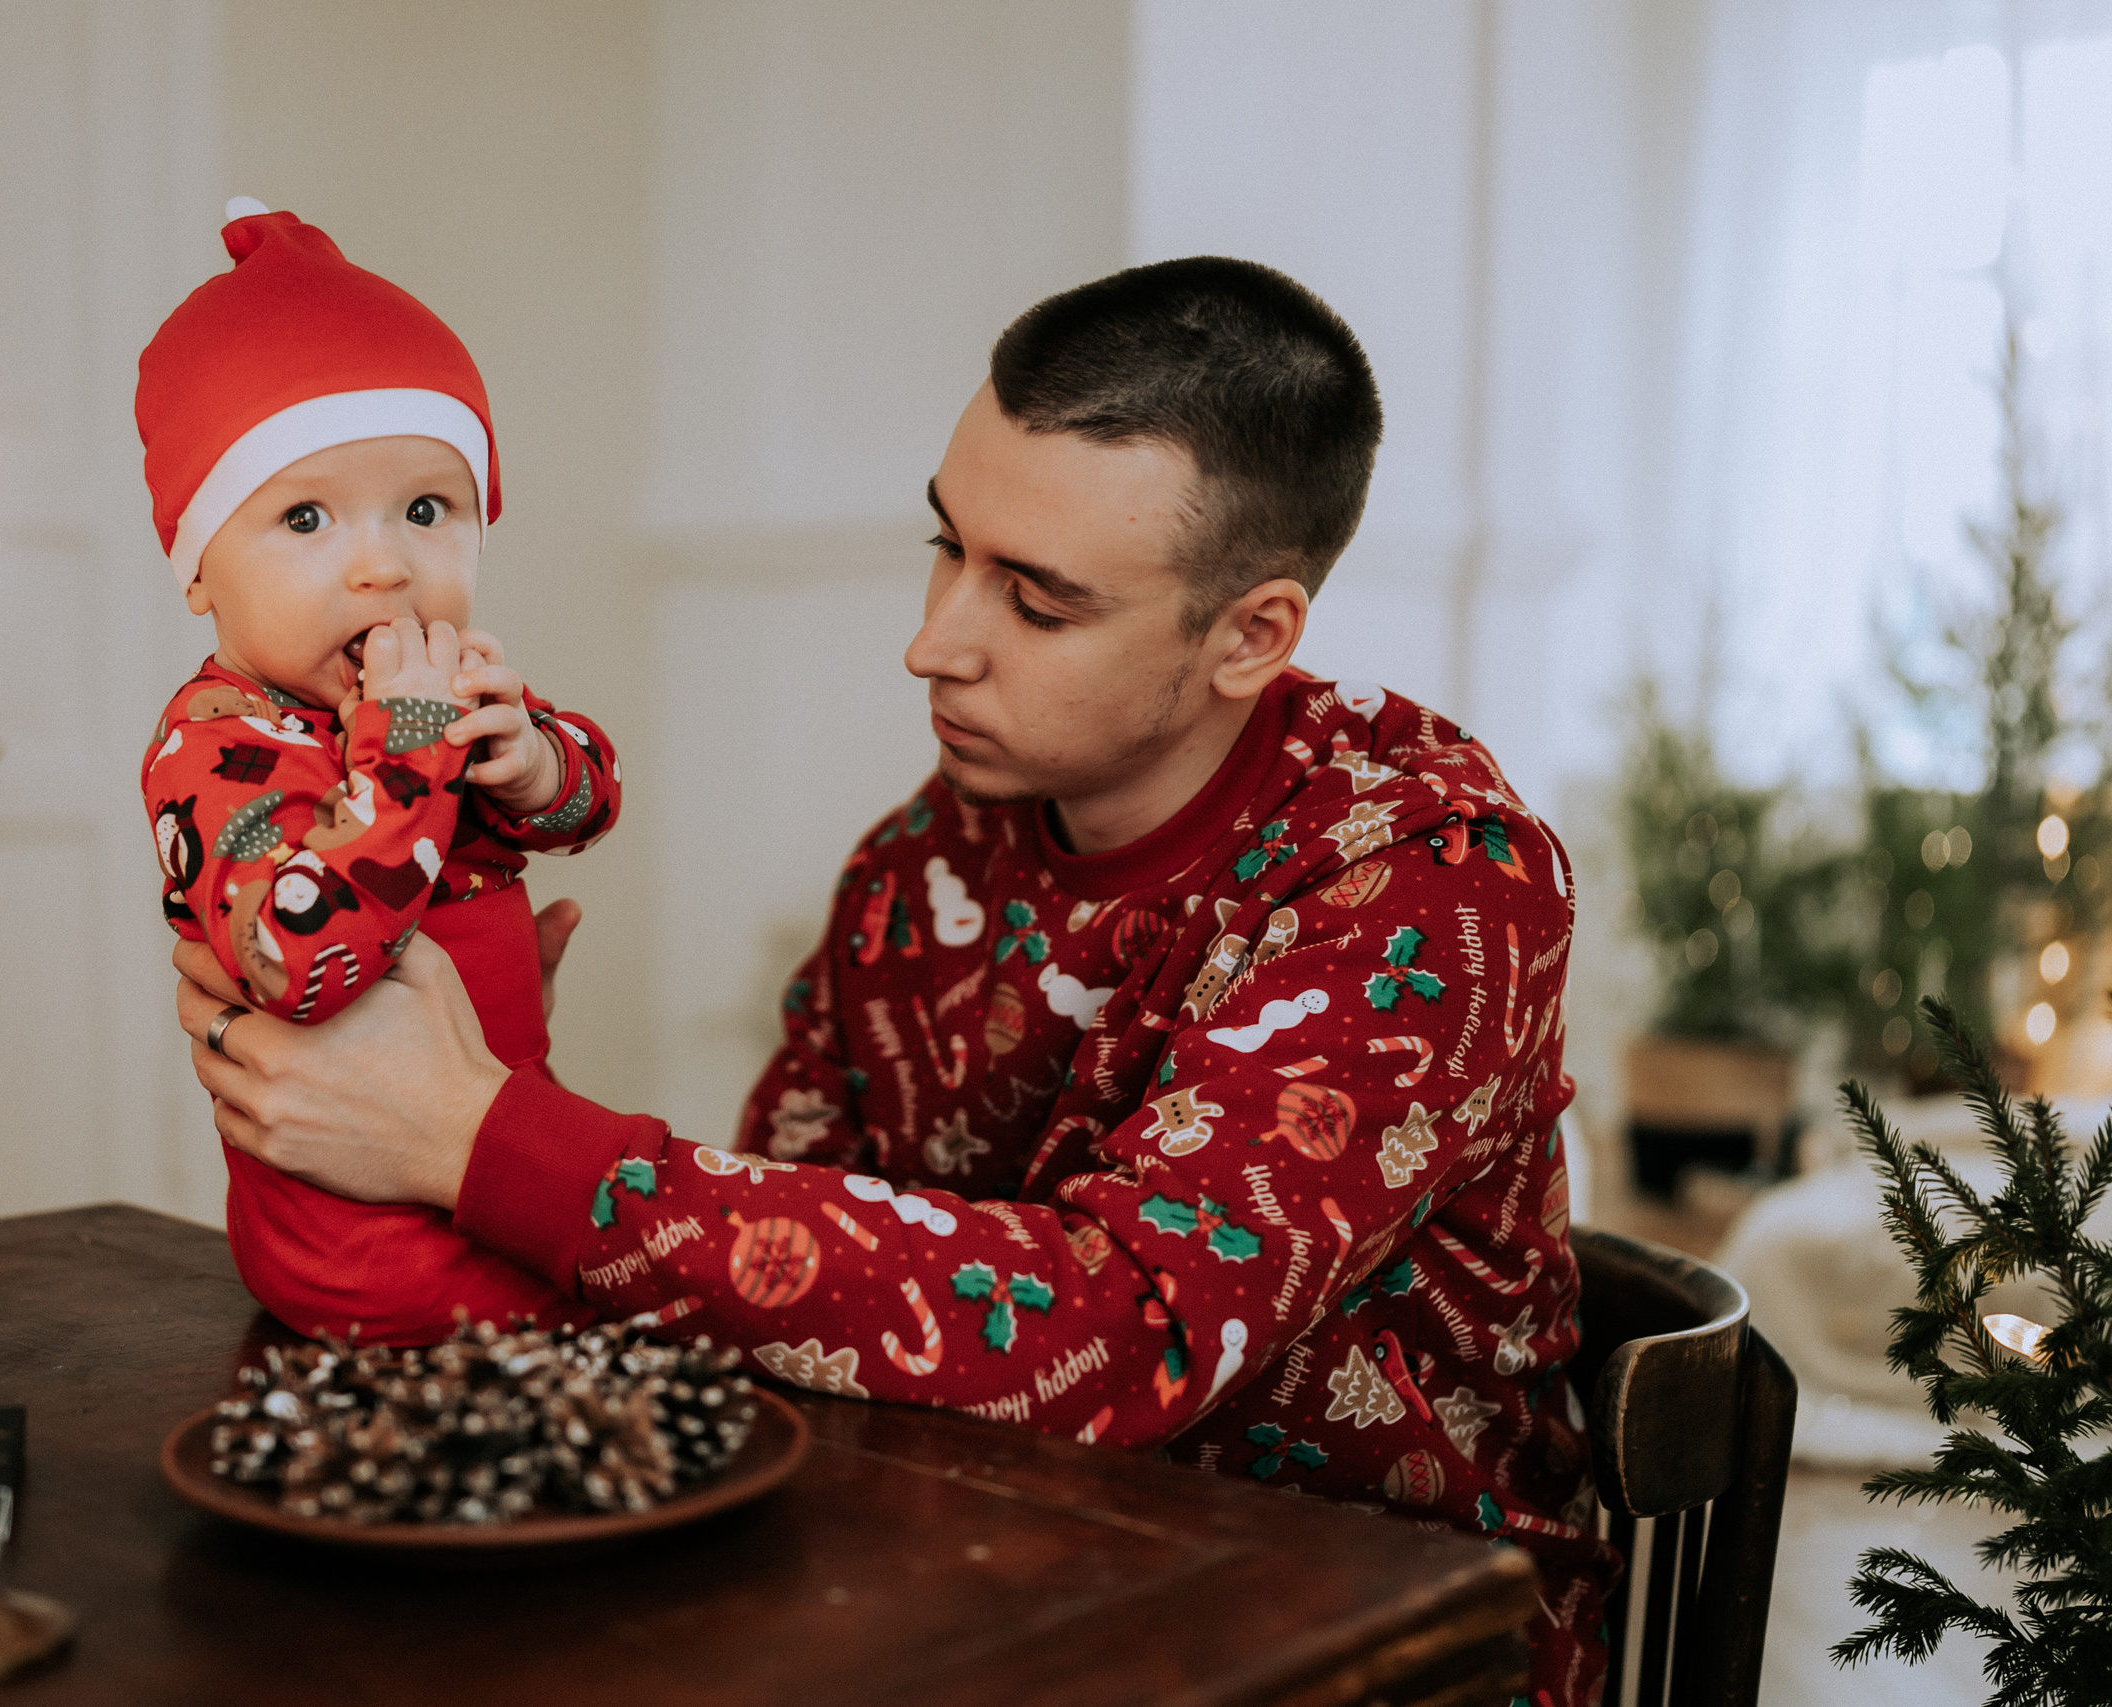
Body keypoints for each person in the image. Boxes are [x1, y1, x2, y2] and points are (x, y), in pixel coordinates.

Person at [178, 257, 1608, 1700]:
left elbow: (1127, 1332)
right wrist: (448, 1047)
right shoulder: (937, 847)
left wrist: (474, 1134)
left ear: (1253, 634)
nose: (933, 642)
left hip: (1382, 1642)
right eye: (949, 549)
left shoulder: (1430, 884)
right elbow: (789, 1261)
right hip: (975, 1577)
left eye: (1037, 604)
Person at [138, 202, 608, 1343]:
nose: (383, 566)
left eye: (427, 510)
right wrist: (409, 746)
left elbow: (594, 795)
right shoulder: (220, 740)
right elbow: (303, 958)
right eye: (305, 517)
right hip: (369, 1247)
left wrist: (532, 764)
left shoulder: (434, 692)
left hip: (499, 1166)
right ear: (199, 570)